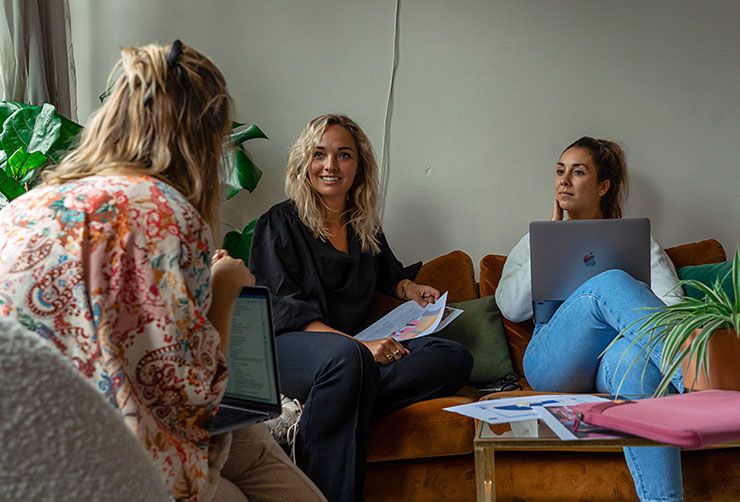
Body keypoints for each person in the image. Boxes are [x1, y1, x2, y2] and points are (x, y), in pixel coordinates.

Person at [0, 42, 324, 502]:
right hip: (111, 457)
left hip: (30, 451)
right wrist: (223, 289)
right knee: (249, 457)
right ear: (203, 138)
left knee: (252, 440)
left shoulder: (23, 210)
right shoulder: (161, 212)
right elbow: (189, 396)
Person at [249, 114, 473, 501]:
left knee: (452, 356)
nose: (330, 166)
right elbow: (281, 310)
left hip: (346, 357)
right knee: (347, 364)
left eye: (343, 155)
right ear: (305, 162)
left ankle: (315, 415)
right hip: (289, 348)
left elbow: (389, 273)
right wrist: (357, 348)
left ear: (359, 166)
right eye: (319, 155)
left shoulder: (362, 224)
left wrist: (411, 288)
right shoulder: (279, 223)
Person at [495, 136, 685, 501]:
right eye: (559, 171)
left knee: (633, 363)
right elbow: (510, 307)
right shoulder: (532, 239)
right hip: (552, 361)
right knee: (608, 283)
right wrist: (549, 239)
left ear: (602, 187)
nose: (564, 180)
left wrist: (628, 323)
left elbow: (673, 306)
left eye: (577, 172)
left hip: (611, 363)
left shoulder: (638, 242)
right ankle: (695, 379)